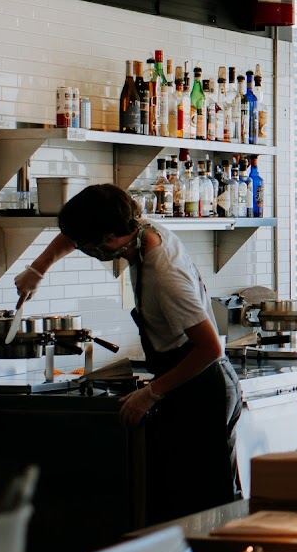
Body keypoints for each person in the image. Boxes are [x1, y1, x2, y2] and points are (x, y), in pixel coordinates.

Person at [14, 183, 240, 523]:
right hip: (180, 383)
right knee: (171, 504)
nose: (87, 250)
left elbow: (209, 348)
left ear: (110, 239)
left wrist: (151, 393)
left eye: (91, 246)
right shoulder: (134, 225)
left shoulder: (165, 274)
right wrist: (37, 270)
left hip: (204, 386)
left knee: (202, 509)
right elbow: (73, 236)